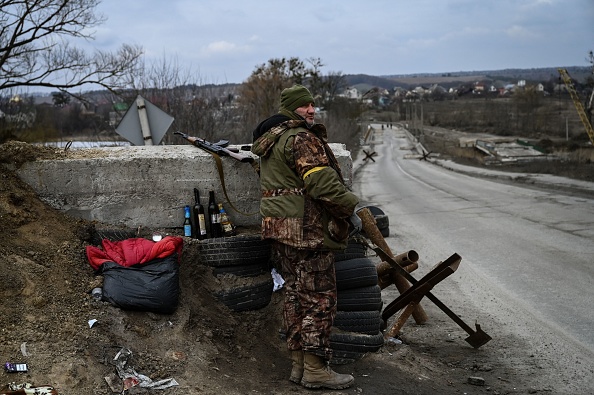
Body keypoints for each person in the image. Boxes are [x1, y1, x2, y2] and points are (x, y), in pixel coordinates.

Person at [251, 84, 361, 390]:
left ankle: (298, 367)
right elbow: (322, 185)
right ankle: (316, 370)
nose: (311, 109)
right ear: (291, 109)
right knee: (319, 299)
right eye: (304, 106)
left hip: (280, 230)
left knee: (295, 296)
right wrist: (352, 209)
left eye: (312, 104)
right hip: (306, 231)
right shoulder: (301, 138)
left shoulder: (270, 140)